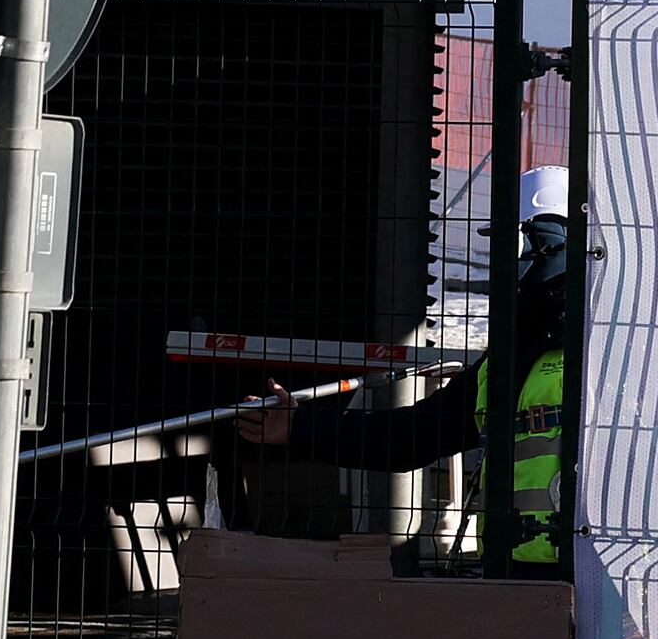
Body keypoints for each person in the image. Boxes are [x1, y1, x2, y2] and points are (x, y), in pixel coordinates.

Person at [234, 169, 572, 570]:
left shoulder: (603, 353)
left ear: (549, 242)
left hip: (593, 575)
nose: (500, 262)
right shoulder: (506, 362)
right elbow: (409, 437)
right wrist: (301, 426)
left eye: (510, 243)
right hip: (514, 575)